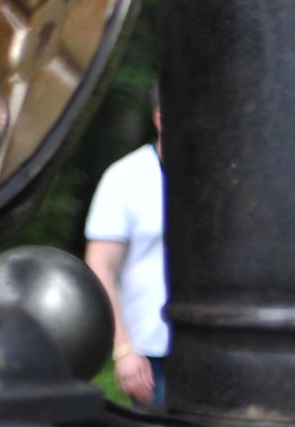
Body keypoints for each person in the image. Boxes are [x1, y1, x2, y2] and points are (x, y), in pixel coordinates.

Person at [84, 86, 169, 407]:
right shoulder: (125, 177)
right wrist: (123, 350)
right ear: (161, 117)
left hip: (215, 348)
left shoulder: (223, 175)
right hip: (151, 355)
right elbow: (100, 266)